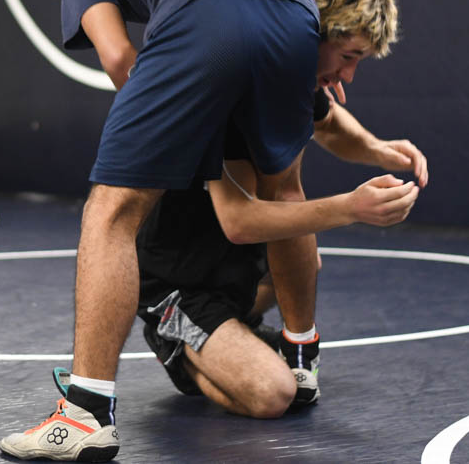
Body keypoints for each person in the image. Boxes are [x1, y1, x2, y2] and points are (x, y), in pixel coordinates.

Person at [0, 0, 420, 462]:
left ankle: (86, 415)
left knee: (113, 209)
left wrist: (175, 112)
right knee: (287, 188)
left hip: (203, 24)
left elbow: (121, 58)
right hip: (292, 19)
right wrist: (311, 60)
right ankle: (302, 358)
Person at [137, 92, 429, 417]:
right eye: (348, 57)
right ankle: (176, 349)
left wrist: (378, 148)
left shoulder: (298, 73)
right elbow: (239, 221)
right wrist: (351, 208)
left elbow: (329, 121)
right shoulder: (228, 89)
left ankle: (254, 332)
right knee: (273, 393)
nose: (346, 79)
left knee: (301, 266)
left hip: (230, 265)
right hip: (180, 283)